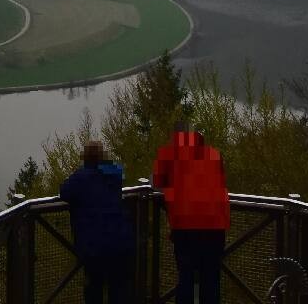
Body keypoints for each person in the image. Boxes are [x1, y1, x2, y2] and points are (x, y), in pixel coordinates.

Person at [152, 122, 230, 304]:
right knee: (211, 278)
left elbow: (156, 183)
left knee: (186, 275)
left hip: (186, 225)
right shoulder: (213, 154)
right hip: (215, 225)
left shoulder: (168, 155)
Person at [60, 140, 134, 303]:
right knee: (119, 290)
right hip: (120, 241)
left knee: (94, 290)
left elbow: (64, 192)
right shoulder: (114, 174)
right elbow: (120, 172)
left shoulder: (81, 178)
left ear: (85, 158)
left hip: (94, 247)